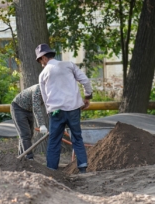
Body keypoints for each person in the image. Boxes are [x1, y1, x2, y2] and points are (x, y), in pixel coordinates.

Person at [35, 43, 93, 173]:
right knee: (77, 138)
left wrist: (49, 111)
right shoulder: (69, 65)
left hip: (56, 111)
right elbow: (85, 81)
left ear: (44, 58)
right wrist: (87, 97)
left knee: (54, 141)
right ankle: (83, 168)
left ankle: (51, 170)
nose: (41, 63)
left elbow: (45, 97)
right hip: (73, 108)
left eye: (40, 60)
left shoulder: (43, 74)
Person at [10, 84, 48, 160]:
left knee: (29, 134)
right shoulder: (39, 89)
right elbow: (36, 107)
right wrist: (42, 124)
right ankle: (29, 158)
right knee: (25, 134)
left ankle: (21, 158)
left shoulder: (51, 91)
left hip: (29, 110)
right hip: (18, 107)